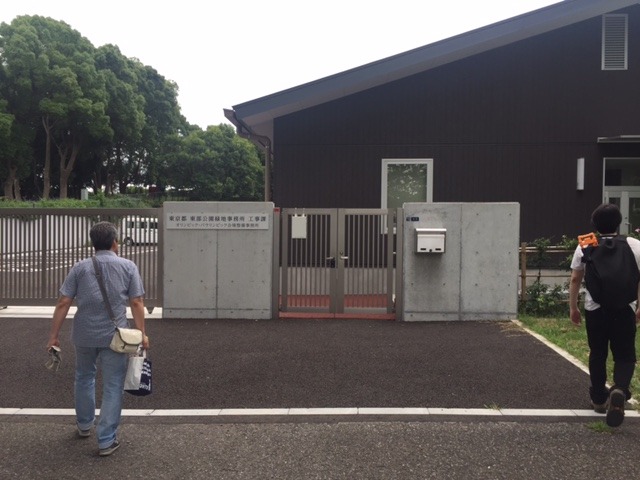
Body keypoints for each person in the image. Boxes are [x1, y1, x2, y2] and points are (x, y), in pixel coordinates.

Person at [46, 221, 149, 456]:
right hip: (116, 337)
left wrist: (53, 336)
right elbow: (136, 302)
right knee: (113, 385)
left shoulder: (80, 268)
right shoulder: (128, 266)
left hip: (84, 334)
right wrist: (142, 333)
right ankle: (106, 440)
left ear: (93, 243)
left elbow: (63, 302)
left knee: (84, 377)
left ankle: (84, 425)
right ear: (115, 242)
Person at [569, 203, 640, 427]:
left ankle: (599, 398)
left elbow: (575, 279)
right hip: (625, 308)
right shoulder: (634, 244)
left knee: (598, 352)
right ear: (618, 222)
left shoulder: (586, 244)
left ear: (595, 224)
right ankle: (619, 389)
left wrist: (573, 307)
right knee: (625, 354)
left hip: (595, 308)